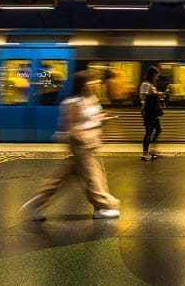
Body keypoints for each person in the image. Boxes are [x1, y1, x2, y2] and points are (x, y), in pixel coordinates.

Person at [20, 70, 121, 221]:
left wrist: (101, 118)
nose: (93, 83)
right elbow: (70, 126)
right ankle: (103, 206)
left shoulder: (91, 99)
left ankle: (35, 205)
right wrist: (83, 134)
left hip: (91, 143)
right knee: (93, 176)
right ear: (81, 84)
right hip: (81, 144)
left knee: (62, 178)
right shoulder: (72, 103)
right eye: (89, 81)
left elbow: (91, 118)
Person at [139, 65, 165, 161]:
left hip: (153, 110)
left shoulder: (152, 85)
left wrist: (158, 95)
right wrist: (154, 94)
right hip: (147, 110)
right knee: (149, 132)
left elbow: (153, 96)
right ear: (152, 75)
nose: (157, 78)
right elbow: (143, 97)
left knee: (158, 129)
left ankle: (152, 149)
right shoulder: (146, 84)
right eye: (156, 76)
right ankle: (145, 154)